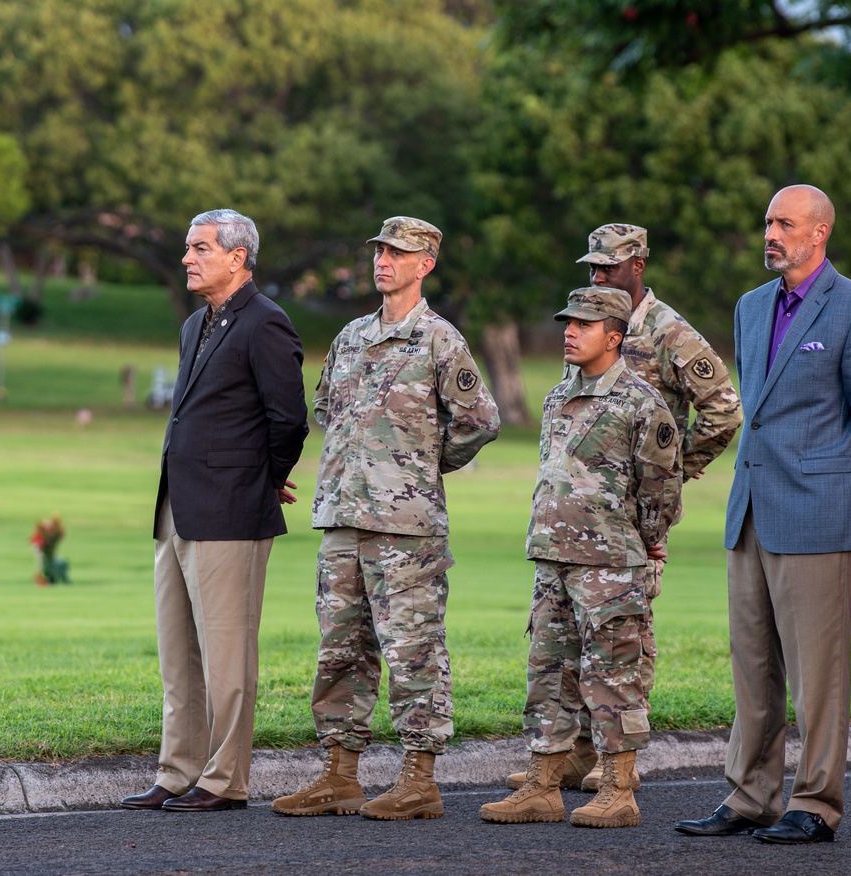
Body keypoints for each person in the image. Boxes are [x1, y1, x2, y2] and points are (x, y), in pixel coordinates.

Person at [675, 185, 851, 843]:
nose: (771, 233)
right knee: (753, 667)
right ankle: (751, 795)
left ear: (820, 232)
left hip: (818, 516)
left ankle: (816, 804)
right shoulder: (751, 306)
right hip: (750, 511)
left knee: (818, 676)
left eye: (786, 223)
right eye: (768, 221)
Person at [271, 216, 500, 821]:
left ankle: (419, 778)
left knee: (413, 651)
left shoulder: (439, 340)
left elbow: (479, 421)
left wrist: (419, 467)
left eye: (397, 253)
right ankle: (339, 775)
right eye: (379, 250)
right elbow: (325, 406)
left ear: (424, 263)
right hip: (343, 516)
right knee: (340, 649)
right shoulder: (350, 336)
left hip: (407, 528)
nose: (382, 261)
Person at [505, 224, 742, 795]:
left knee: (619, 640)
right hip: (577, 520)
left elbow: (724, 411)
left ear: (639, 264)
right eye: (592, 266)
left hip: (632, 522)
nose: (598, 274)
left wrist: (671, 472)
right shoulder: (585, 324)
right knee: (562, 644)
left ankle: (613, 766)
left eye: (608, 266)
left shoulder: (668, 332)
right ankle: (574, 755)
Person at [121, 209, 309, 813]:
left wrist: (265, 479)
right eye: (186, 247)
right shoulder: (194, 324)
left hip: (231, 512)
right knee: (178, 654)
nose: (187, 258)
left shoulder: (266, 323)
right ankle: (177, 772)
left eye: (199, 248)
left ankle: (225, 781)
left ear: (237, 257)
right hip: (177, 507)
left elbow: (289, 420)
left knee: (227, 656)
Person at [480, 287, 681, 828]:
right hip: (553, 559)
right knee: (549, 673)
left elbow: (662, 490)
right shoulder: (555, 396)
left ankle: (619, 790)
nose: (569, 331)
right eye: (567, 323)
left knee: (613, 676)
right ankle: (544, 786)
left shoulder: (642, 403)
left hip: (609, 563)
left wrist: (638, 545)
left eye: (583, 325)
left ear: (613, 337)